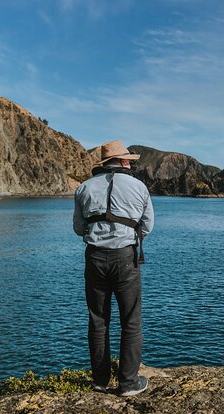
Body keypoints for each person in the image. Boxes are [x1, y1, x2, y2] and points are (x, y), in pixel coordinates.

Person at [73, 140, 154, 396]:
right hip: (125, 258)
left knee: (98, 320)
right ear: (121, 161)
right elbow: (148, 225)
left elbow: (78, 228)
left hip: (95, 258)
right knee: (130, 319)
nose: (130, 162)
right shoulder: (139, 187)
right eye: (128, 159)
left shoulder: (84, 188)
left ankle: (99, 381)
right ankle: (128, 383)